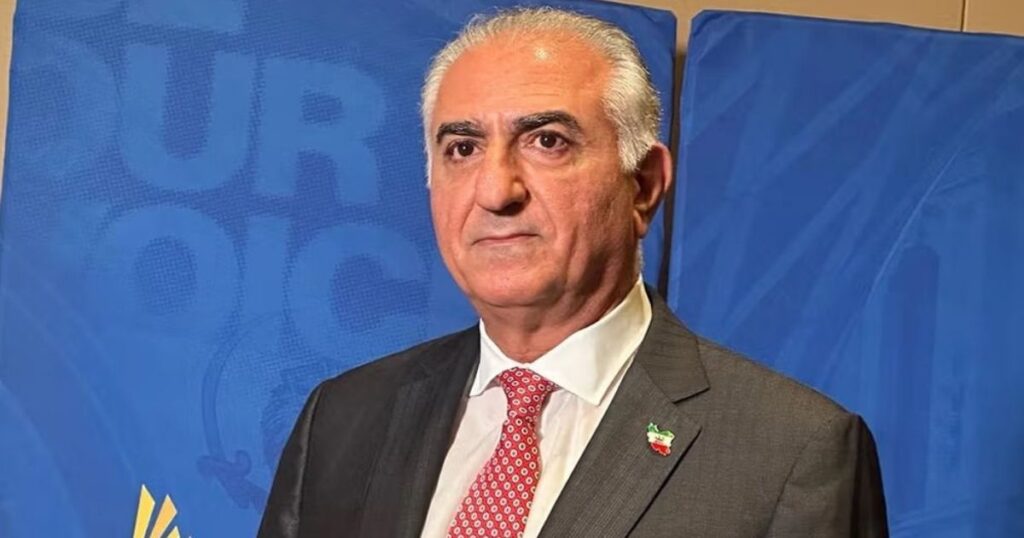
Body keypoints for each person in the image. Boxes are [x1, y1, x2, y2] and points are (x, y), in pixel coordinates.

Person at [258, 7, 887, 537]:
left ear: (644, 186)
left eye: (547, 141)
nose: (496, 191)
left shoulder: (793, 453)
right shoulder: (342, 419)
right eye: (463, 148)